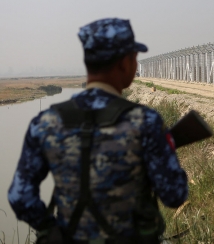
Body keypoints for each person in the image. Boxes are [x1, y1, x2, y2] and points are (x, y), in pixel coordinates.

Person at [8, 18, 188, 244]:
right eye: (134, 58)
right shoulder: (145, 122)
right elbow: (174, 195)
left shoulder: (46, 122)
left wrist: (48, 229)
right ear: (125, 63)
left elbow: (19, 195)